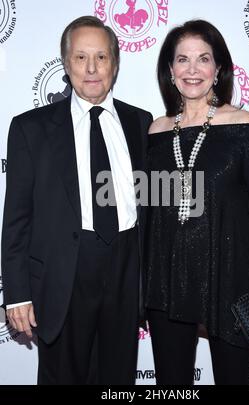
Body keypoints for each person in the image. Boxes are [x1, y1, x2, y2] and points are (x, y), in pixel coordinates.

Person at [1, 15, 152, 385]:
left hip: (126, 273)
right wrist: (17, 294)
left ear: (115, 63)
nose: (91, 68)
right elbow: (17, 220)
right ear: (66, 64)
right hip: (63, 277)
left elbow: (149, 202)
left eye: (101, 57)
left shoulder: (141, 123)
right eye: (81, 57)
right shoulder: (30, 128)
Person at [144, 20, 249, 385]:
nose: (192, 70)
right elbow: (151, 212)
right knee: (171, 386)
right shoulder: (155, 131)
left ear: (217, 69)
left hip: (229, 277)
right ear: (170, 70)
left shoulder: (242, 125)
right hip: (167, 279)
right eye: (182, 60)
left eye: (203, 59)